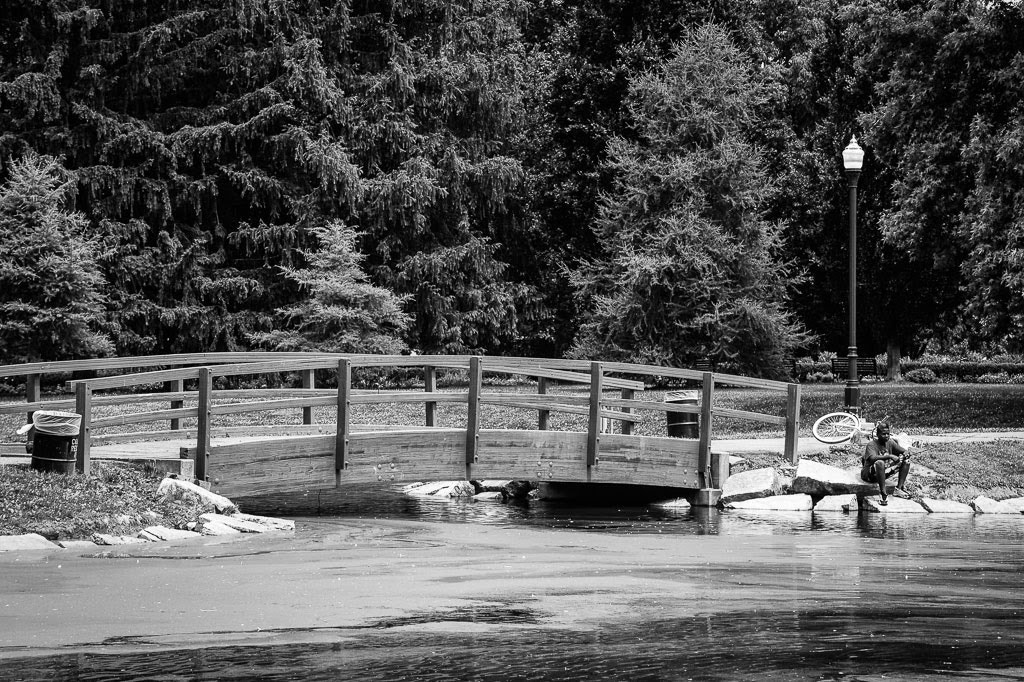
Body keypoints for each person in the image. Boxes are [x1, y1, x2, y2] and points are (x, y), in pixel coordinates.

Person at [860, 422, 911, 505]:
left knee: (906, 462)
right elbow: (873, 458)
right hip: (869, 475)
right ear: (878, 434)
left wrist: (906, 453)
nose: (887, 436)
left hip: (884, 472)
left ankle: (898, 490)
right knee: (880, 463)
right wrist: (890, 456)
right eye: (884, 434)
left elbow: (903, 450)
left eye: (888, 434)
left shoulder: (890, 442)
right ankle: (883, 493)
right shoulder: (871, 445)